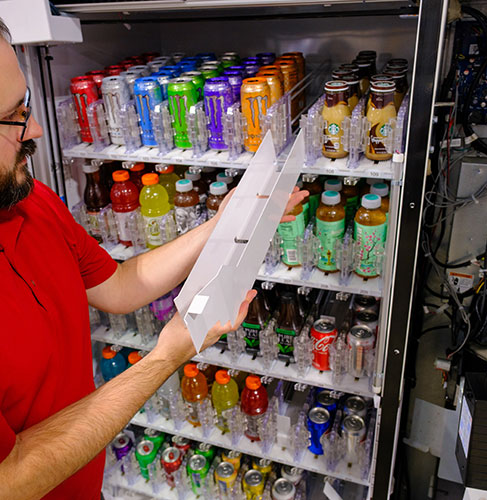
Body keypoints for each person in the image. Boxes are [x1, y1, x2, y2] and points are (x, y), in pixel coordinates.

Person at [0, 19, 307, 500]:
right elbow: (9, 478)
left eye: (28, 107)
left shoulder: (30, 200)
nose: (34, 127)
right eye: (12, 116)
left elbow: (119, 286)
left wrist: (223, 226)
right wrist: (167, 354)